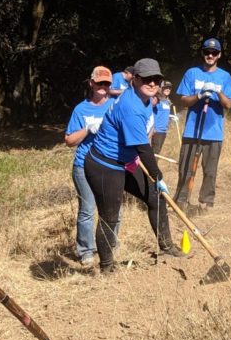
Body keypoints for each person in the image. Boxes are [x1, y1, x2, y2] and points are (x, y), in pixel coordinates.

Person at [84, 58, 184, 273]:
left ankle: (166, 246)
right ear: (135, 79)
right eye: (147, 79)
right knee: (110, 215)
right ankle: (107, 267)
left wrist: (155, 180)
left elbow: (142, 140)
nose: (152, 83)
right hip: (105, 165)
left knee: (155, 197)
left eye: (156, 79)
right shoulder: (131, 107)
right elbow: (143, 149)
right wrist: (158, 176)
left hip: (125, 162)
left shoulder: (146, 100)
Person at [174, 37, 231, 210]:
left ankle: (206, 202)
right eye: (207, 52)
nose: (210, 55)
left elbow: (228, 105)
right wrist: (199, 95)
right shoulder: (191, 73)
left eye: (214, 52)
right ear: (202, 53)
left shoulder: (225, 76)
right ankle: (181, 200)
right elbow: (183, 101)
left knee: (210, 171)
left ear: (219, 55)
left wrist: (218, 91)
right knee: (186, 168)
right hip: (192, 130)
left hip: (214, 131)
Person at [63, 66, 117, 266]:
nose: (103, 86)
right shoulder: (81, 109)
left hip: (110, 163)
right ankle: (86, 250)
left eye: (107, 83)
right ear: (91, 83)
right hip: (84, 164)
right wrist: (87, 129)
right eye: (100, 82)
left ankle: (110, 244)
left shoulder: (115, 106)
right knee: (87, 209)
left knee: (113, 209)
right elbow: (69, 140)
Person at [151, 80, 173, 154]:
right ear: (161, 88)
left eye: (169, 88)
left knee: (158, 151)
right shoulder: (157, 99)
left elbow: (166, 115)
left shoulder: (168, 101)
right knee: (155, 151)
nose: (168, 89)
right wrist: (152, 127)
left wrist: (173, 117)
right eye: (165, 87)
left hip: (164, 130)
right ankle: (150, 166)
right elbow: (149, 112)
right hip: (157, 130)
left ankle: (152, 165)